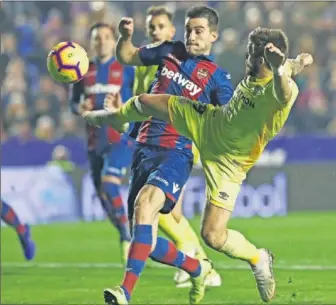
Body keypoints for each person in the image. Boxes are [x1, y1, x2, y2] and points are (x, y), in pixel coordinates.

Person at [83, 27, 313, 303]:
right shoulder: (273, 66)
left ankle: (258, 257)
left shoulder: (281, 89)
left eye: (251, 54)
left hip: (230, 160)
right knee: (148, 101)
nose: (247, 58)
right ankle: (113, 118)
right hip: (211, 123)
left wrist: (281, 71)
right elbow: (291, 65)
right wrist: (299, 62)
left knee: (212, 236)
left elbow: (284, 89)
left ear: (265, 60)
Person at [98, 5, 234, 305]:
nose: (192, 35)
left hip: (177, 152)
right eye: (189, 29)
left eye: (198, 31)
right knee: (142, 237)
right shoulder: (170, 51)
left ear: (213, 35)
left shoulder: (218, 78)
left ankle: (124, 292)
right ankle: (196, 268)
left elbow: (229, 120)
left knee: (146, 204)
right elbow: (127, 56)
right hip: (144, 147)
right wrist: (125, 36)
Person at [129, 5, 221, 289]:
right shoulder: (152, 66)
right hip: (148, 143)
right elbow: (144, 102)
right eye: (150, 28)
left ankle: (200, 264)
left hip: (176, 146)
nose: (154, 32)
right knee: (151, 220)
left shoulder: (180, 62)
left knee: (162, 212)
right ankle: (194, 264)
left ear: (171, 33)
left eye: (160, 27)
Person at [69, 23, 136, 264]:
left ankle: (130, 234)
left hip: (120, 138)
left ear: (112, 40)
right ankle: (123, 232)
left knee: (110, 185)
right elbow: (73, 103)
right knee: (103, 197)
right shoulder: (81, 70)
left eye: (107, 37)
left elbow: (138, 96)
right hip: (94, 142)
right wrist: (80, 108)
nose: (102, 42)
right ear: (92, 42)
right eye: (97, 38)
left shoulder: (126, 68)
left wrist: (124, 107)